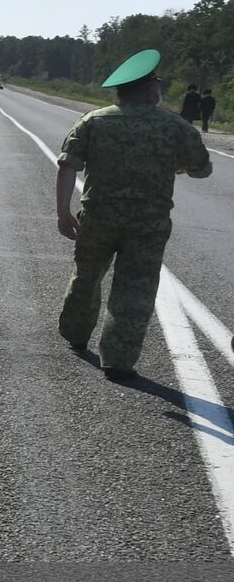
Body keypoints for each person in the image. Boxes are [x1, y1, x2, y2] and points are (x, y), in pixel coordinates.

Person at [55, 49, 212, 382]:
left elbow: (68, 165)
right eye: (157, 84)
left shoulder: (94, 121)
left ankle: (76, 334)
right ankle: (118, 359)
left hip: (98, 217)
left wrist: (62, 212)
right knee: (135, 289)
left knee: (87, 276)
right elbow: (202, 169)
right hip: (149, 223)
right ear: (149, 89)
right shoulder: (175, 126)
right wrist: (177, 164)